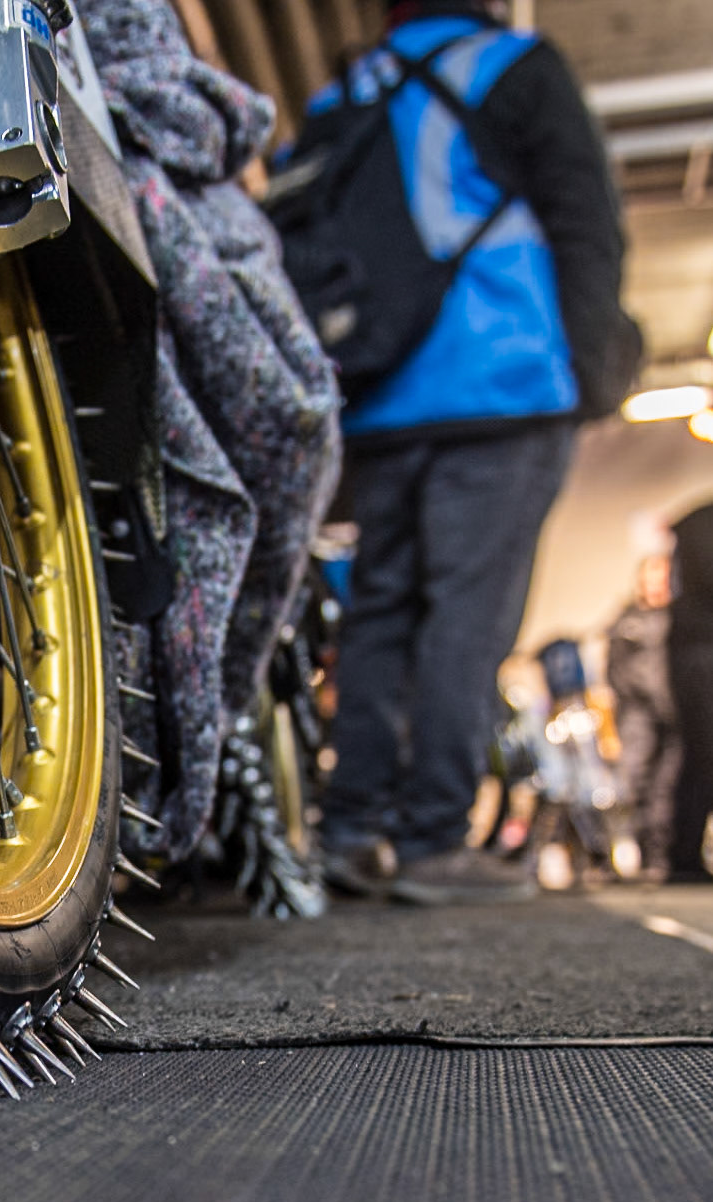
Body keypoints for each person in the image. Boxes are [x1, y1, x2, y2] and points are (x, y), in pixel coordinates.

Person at [315, 0, 626, 904]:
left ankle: (350, 828)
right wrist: (595, 373)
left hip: (377, 396)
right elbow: (586, 222)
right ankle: (432, 841)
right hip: (499, 380)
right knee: (467, 615)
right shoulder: (513, 67)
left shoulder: (352, 81)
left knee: (380, 609)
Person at [606, 554, 680, 879]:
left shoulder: (681, 619)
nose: (656, 584)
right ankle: (618, 856)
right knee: (630, 782)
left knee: (669, 787)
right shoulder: (627, 621)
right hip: (637, 713)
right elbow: (616, 672)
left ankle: (660, 856)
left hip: (677, 714)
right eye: (651, 576)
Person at [666, 506, 713, 883]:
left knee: (699, 756)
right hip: (701, 654)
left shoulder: (696, 521)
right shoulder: (703, 524)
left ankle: (684, 853)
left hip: (694, 653)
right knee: (704, 754)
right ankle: (683, 854)